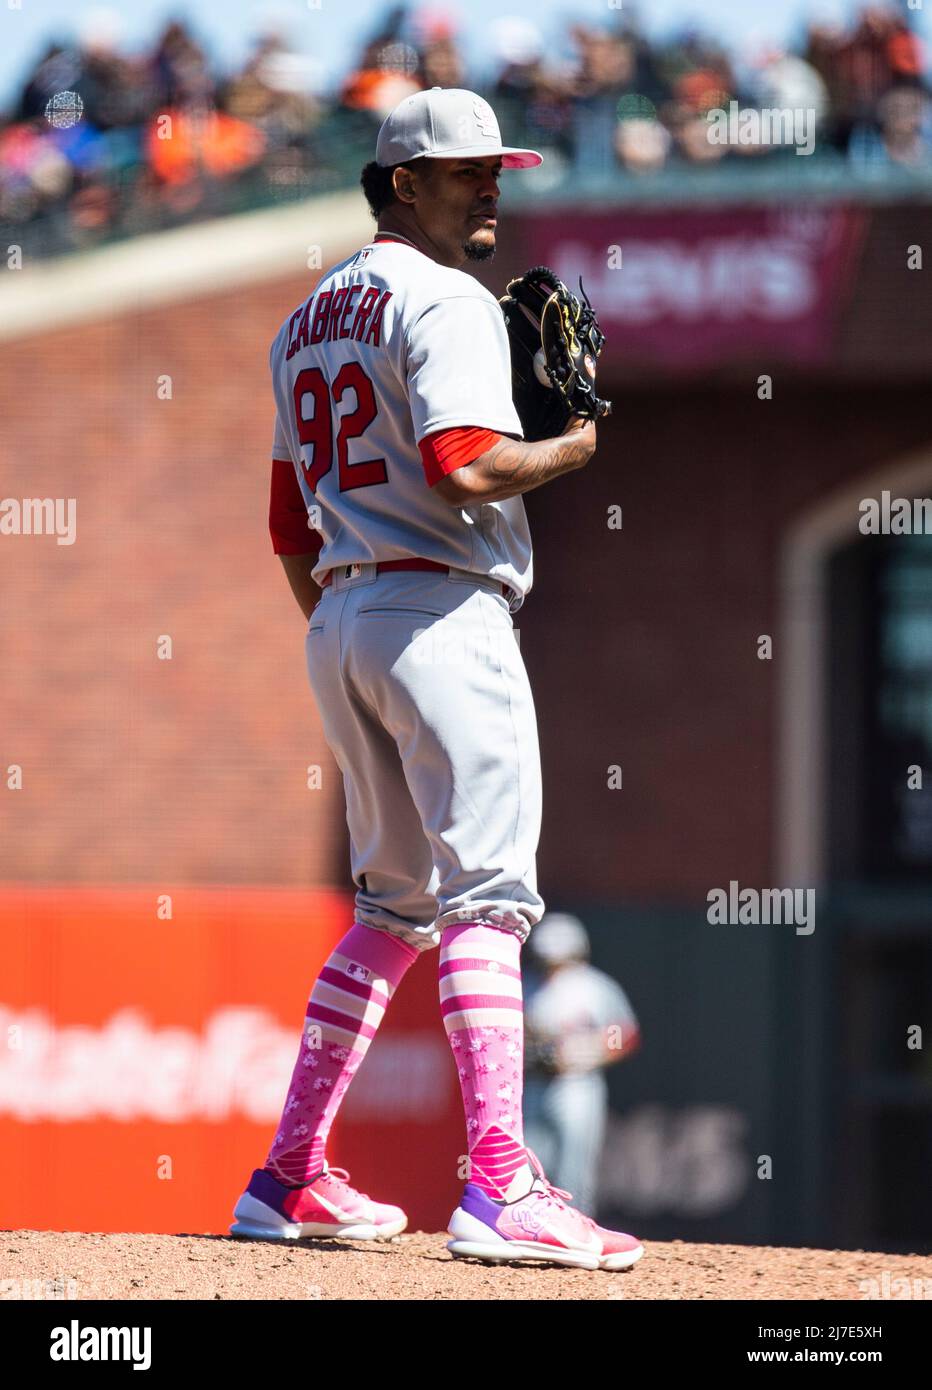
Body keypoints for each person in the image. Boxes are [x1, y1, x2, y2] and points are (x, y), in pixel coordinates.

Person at [229, 86, 643, 1271]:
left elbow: (283, 528)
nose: (488, 187)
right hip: (442, 605)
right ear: (399, 184)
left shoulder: (303, 319)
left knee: (393, 906)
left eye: (495, 169)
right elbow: (464, 467)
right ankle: (502, 1187)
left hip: (349, 609)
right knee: (488, 898)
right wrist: (574, 444)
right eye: (464, 171)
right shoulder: (445, 296)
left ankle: (290, 1172)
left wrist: (354, 636)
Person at [523, 913, 641, 1217]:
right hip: (532, 1082)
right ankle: (530, 1224)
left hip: (577, 1084)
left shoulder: (594, 986)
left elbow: (624, 1035)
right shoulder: (527, 984)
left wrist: (590, 1051)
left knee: (575, 1167)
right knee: (529, 1163)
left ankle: (578, 1223)